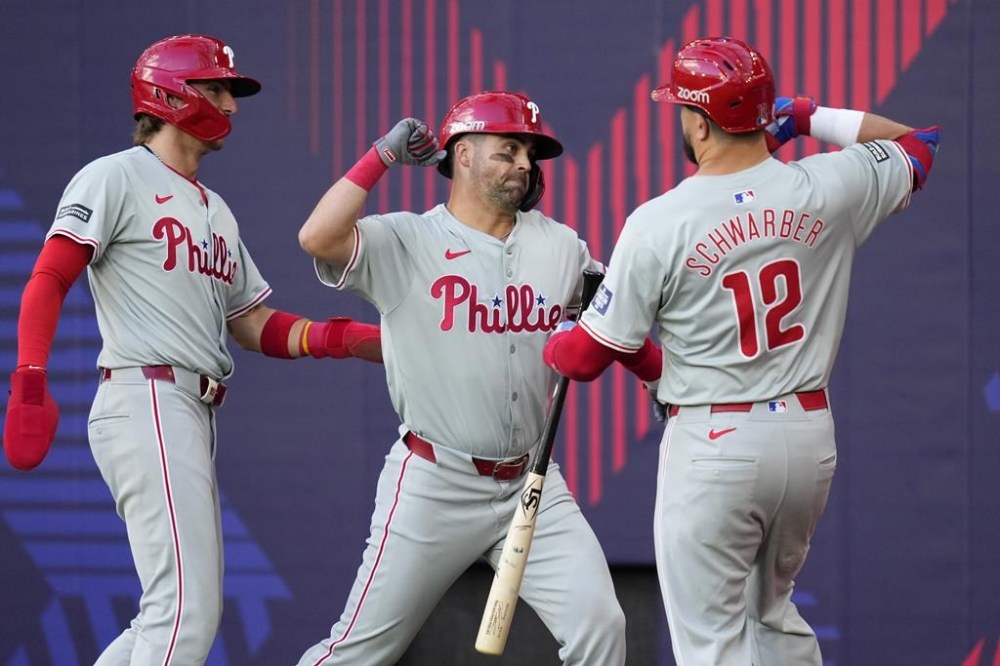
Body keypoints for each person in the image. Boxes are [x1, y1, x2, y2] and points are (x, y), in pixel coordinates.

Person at [543, 37, 939, 666]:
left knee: (713, 644)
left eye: (683, 109)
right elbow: (919, 144)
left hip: (715, 444)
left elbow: (583, 360)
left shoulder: (659, 220)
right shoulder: (827, 185)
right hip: (806, 440)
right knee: (772, 617)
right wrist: (806, 117)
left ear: (700, 122)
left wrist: (560, 337)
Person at [1, 34, 382, 665]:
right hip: (147, 394)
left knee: (166, 615)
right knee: (186, 613)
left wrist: (349, 338)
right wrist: (30, 380)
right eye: (217, 88)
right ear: (171, 94)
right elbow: (50, 276)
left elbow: (252, 323)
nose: (230, 104)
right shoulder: (116, 175)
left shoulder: (215, 209)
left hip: (189, 408)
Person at [294, 90, 661, 665]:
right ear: (462, 154)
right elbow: (318, 238)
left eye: (530, 153)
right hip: (436, 480)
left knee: (601, 626)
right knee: (359, 652)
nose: (524, 163)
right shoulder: (408, 240)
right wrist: (381, 156)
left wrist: (658, 377)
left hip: (532, 482)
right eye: (508, 149)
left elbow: (618, 318)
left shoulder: (561, 246)